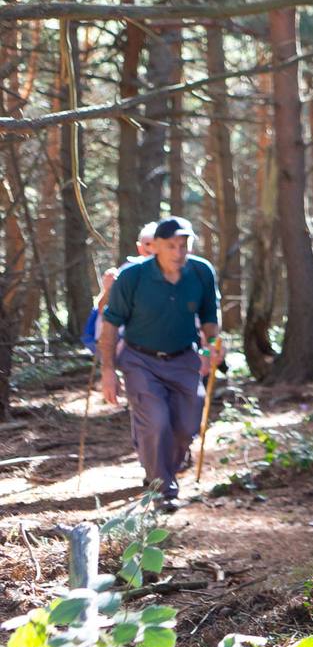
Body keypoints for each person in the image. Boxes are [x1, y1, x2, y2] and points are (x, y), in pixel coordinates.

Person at [98, 217, 223, 510]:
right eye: (172, 246)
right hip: (140, 360)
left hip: (184, 359)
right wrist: (108, 370)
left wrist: (214, 343)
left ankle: (161, 470)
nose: (179, 252)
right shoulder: (133, 277)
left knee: (187, 426)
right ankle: (162, 489)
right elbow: (110, 325)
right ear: (155, 247)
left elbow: (209, 317)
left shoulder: (201, 272)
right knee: (155, 422)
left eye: (184, 245)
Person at [80, 222, 158, 354]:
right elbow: (101, 309)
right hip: (128, 340)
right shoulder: (126, 271)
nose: (151, 249)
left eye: (155, 244)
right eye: (147, 244)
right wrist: (108, 289)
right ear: (139, 247)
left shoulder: (174, 272)